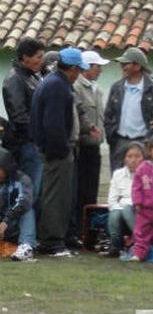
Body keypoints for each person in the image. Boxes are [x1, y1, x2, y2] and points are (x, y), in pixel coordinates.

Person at [31, 47, 87, 257]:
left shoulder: (53, 82)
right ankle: (52, 242)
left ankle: (52, 240)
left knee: (54, 195)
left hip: (52, 150)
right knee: (57, 198)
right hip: (57, 153)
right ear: (72, 68)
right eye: (78, 70)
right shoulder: (58, 86)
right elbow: (53, 124)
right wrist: (62, 150)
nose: (78, 74)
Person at [2, 38, 45, 209]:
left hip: (34, 143)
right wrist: (38, 135)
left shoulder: (31, 76)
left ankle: (28, 234)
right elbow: (19, 116)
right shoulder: (14, 79)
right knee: (27, 194)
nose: (41, 61)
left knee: (34, 194)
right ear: (25, 57)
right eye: (38, 57)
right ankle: (19, 234)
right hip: (25, 144)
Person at [104, 47, 153, 171]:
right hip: (120, 142)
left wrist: (152, 138)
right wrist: (112, 136)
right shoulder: (117, 87)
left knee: (144, 181)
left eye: (126, 64)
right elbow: (108, 115)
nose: (122, 67)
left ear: (137, 66)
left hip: (145, 142)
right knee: (119, 181)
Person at [73, 50, 109, 244]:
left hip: (95, 146)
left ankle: (89, 232)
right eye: (97, 67)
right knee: (81, 192)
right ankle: (79, 231)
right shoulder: (77, 87)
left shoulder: (96, 89)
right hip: (82, 147)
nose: (100, 71)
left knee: (92, 191)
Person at [105, 142, 143, 258]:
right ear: (124, 159)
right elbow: (112, 201)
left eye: (137, 156)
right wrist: (122, 208)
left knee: (127, 209)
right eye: (129, 156)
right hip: (122, 212)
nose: (133, 160)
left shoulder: (148, 175)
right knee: (115, 214)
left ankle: (141, 241)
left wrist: (128, 205)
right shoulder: (118, 174)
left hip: (141, 212)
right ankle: (116, 247)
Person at [0, 146, 36, 262]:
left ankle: (26, 247)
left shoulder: (22, 180)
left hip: (12, 224)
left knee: (27, 209)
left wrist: (5, 221)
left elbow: (23, 201)